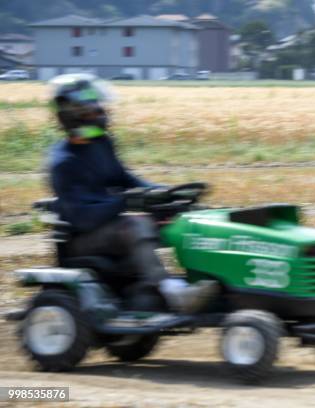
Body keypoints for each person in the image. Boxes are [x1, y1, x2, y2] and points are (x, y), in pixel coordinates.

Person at [47, 73, 215, 312]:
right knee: (136, 225)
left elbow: (125, 178)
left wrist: (164, 193)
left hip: (108, 224)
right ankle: (174, 292)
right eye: (92, 108)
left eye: (98, 105)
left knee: (184, 218)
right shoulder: (64, 163)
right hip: (83, 239)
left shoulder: (101, 144)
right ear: (73, 115)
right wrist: (124, 202)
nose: (100, 112)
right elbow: (83, 218)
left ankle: (202, 281)